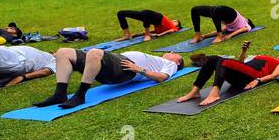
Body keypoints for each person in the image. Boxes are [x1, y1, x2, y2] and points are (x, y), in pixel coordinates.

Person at [32, 48, 183, 109]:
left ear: (177, 61)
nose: (171, 51)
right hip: (113, 63)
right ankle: (60, 94)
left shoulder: (171, 65)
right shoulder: (159, 59)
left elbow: (162, 77)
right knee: (62, 52)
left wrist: (140, 69)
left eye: (175, 53)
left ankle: (80, 95)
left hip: (125, 69)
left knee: (95, 53)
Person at [177, 41, 279, 106]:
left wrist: (258, 80)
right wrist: (244, 51)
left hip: (253, 75)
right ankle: (195, 91)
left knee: (222, 60)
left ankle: (214, 93)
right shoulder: (267, 57)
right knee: (212, 59)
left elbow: (274, 76)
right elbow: (240, 63)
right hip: (243, 74)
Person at [115, 9, 180, 41]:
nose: (173, 21)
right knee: (120, 13)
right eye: (173, 20)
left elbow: (171, 30)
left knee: (146, 15)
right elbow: (152, 31)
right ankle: (127, 35)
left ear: (177, 25)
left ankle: (147, 35)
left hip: (150, 17)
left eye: (175, 21)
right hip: (157, 17)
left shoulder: (174, 28)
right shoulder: (166, 24)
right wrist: (136, 35)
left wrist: (159, 35)